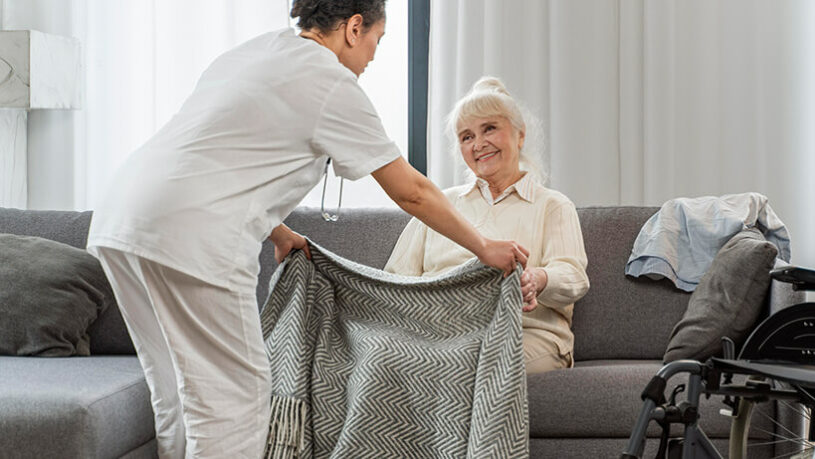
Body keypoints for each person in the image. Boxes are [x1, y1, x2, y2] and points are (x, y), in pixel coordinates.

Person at [85, 2, 529, 458]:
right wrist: (484, 246)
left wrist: (278, 233)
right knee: (235, 400)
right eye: (378, 40)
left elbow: (216, 157)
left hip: (122, 219)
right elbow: (410, 190)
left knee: (176, 387)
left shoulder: (255, 52)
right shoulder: (329, 81)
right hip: (191, 238)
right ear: (354, 28)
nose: (374, 55)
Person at [385, 76, 590, 375]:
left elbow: (574, 277)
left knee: (467, 363)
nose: (479, 144)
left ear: (520, 135)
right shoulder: (439, 205)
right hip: (442, 335)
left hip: (524, 334)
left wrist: (537, 278)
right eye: (466, 137)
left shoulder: (553, 205)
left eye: (490, 128)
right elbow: (395, 279)